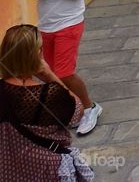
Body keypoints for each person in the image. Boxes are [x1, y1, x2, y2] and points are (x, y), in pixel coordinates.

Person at [20, 0, 101, 135]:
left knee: (64, 72)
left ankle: (90, 108)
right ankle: (66, 109)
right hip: (46, 23)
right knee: (46, 72)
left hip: (69, 22)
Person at [0, 24, 95, 181]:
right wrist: (50, 75)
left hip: (8, 169)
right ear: (36, 54)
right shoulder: (48, 94)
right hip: (46, 168)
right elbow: (77, 112)